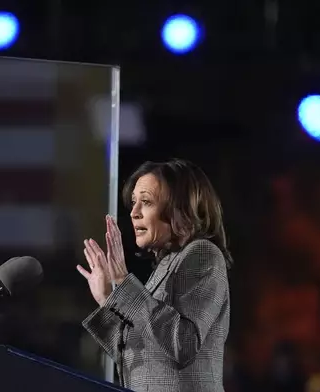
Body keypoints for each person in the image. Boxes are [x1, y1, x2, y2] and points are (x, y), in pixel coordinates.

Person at [76, 159, 233, 392]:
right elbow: (137, 352)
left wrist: (123, 282)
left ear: (181, 208)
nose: (134, 212)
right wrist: (108, 298)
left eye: (146, 202)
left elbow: (184, 344)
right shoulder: (165, 266)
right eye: (133, 203)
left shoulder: (202, 254)